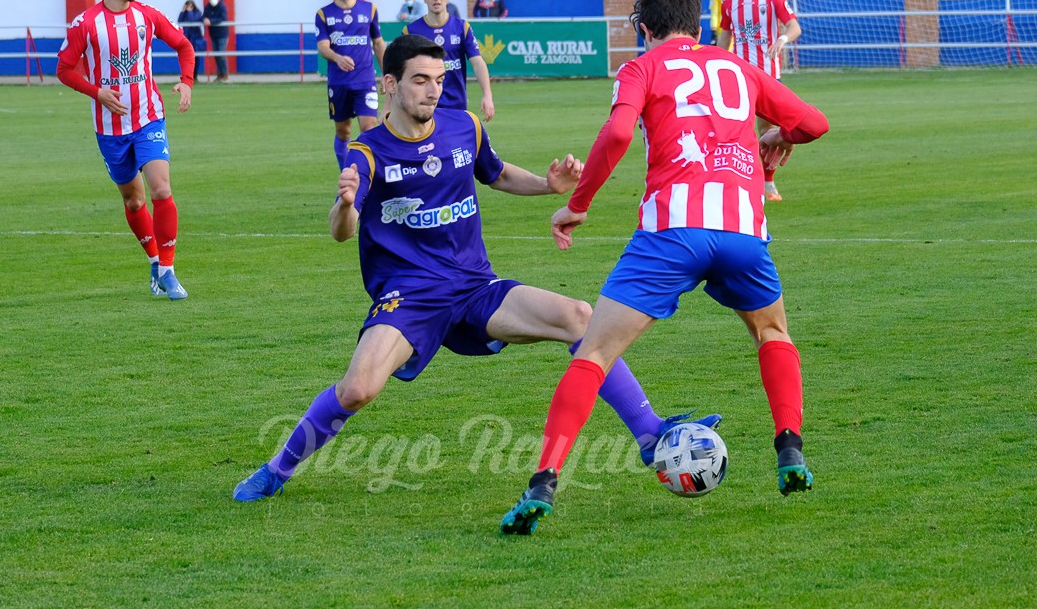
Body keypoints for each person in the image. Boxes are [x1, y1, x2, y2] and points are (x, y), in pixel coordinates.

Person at [232, 34, 718, 503]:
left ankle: (651, 434)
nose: (432, 89)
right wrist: (343, 205)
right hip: (410, 295)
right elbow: (343, 230)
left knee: (578, 315)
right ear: (389, 85)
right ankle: (278, 470)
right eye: (420, 79)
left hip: (474, 285)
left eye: (438, 79)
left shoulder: (465, 125)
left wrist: (550, 187)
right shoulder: (367, 152)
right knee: (358, 389)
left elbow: (498, 173)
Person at [500, 0, 829, 536]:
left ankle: (543, 483)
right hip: (742, 233)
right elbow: (814, 123)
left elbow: (618, 133)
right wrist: (775, 133)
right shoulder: (736, 67)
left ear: (644, 31)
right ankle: (790, 449)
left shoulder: (642, 68)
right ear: (699, 27)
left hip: (670, 234)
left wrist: (576, 206)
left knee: (595, 352)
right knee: (773, 335)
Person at [56, 0, 195, 301]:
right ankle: (153, 260)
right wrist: (96, 92)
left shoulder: (147, 16)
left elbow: (184, 46)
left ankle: (168, 270)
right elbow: (63, 69)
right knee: (134, 202)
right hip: (110, 128)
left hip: (149, 117)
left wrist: (186, 81)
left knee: (161, 189)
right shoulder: (86, 24)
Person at [715, 0, 802, 201]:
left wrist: (783, 39)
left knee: (768, 132)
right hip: (739, 77)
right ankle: (735, 182)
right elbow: (725, 37)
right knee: (733, 130)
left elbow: (795, 27)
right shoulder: (729, 2)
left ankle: (767, 182)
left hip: (768, 77)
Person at [315, 0, 386, 168]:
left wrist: (386, 72)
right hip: (339, 83)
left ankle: (368, 177)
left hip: (365, 80)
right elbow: (323, 47)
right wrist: (337, 58)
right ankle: (346, 176)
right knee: (343, 131)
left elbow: (378, 43)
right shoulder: (323, 14)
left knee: (369, 127)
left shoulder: (369, 9)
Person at [402, 0, 495, 121]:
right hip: (424, 105)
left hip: (456, 105)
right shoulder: (411, 31)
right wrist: (389, 106)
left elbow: (477, 62)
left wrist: (487, 95)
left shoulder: (461, 27)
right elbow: (398, 70)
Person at [202, 0, 230, 82]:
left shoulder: (222, 6)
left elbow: (223, 18)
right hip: (213, 34)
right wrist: (205, 19)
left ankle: (225, 74)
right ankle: (219, 74)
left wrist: (211, 21)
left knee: (221, 54)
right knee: (216, 55)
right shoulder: (208, 7)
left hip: (222, 34)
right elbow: (203, 16)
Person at [177, 0, 206, 80]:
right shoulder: (184, 13)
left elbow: (192, 20)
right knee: (187, 57)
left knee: (195, 57)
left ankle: (195, 75)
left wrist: (189, 11)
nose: (189, 8)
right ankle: (187, 75)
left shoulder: (197, 13)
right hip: (187, 38)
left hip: (195, 38)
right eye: (187, 6)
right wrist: (183, 11)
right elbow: (179, 20)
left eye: (190, 6)